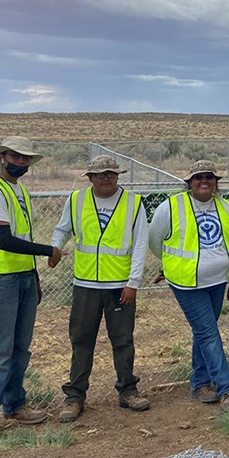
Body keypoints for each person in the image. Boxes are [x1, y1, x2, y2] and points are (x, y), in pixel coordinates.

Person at [0, 136, 65, 442]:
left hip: (22, 277)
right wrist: (48, 250)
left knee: (20, 347)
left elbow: (21, 239)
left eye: (26, 158)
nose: (21, 162)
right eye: (16, 157)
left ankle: (14, 404)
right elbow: (5, 240)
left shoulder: (19, 191)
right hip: (0, 278)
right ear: (2, 158)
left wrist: (34, 277)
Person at [52, 155, 150, 423]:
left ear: (118, 176)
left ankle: (127, 391)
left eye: (111, 173)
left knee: (123, 340)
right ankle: (75, 396)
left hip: (120, 286)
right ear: (90, 177)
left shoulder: (134, 203)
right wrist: (55, 248)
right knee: (81, 340)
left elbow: (141, 244)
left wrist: (134, 282)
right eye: (100, 174)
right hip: (85, 285)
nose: (106, 177)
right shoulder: (76, 200)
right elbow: (63, 229)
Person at [149, 160, 229, 412]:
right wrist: (169, 265)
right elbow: (155, 242)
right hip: (187, 283)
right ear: (189, 182)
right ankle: (226, 388)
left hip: (217, 281)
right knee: (209, 333)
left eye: (209, 177)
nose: (204, 181)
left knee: (204, 332)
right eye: (198, 177)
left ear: (216, 182)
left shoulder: (225, 207)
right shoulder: (171, 207)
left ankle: (200, 383)